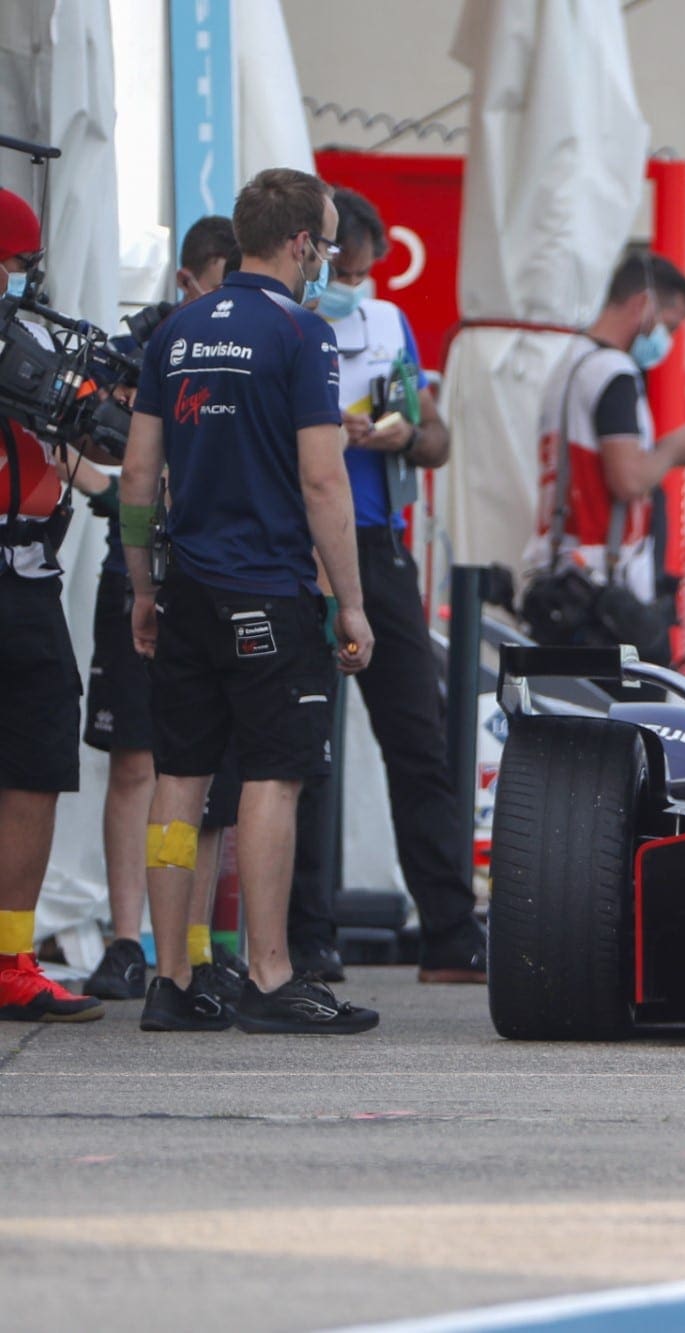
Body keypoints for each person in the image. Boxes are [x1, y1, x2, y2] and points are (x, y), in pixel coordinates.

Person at [122, 166, 379, 1034]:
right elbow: (321, 476)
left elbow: (136, 476)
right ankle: (271, 975)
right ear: (302, 243)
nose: (327, 263)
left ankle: (171, 977)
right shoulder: (303, 336)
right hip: (268, 589)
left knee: (179, 780)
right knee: (275, 775)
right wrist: (351, 602)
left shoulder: (176, 331)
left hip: (188, 589)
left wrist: (143, 587)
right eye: (328, 245)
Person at [282, 187, 486, 986]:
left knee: (417, 737)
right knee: (301, 745)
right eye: (345, 264)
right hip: (298, 546)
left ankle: (448, 930)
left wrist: (403, 429)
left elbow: (434, 435)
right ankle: (306, 932)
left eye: (363, 270)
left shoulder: (384, 323)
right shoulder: (285, 322)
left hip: (378, 542)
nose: (353, 282)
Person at [79, 216, 245, 1004]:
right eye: (220, 283)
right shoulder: (140, 348)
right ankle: (124, 939)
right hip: (143, 571)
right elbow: (97, 447)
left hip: (221, 575)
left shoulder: (269, 340)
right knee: (138, 761)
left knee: (211, 776)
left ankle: (196, 948)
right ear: (187, 281)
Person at [0, 187, 104, 1022]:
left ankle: (10, 957)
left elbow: (76, 444)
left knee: (34, 766)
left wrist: (128, 492)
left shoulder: (33, 344)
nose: (18, 281)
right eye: (13, 264)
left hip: (27, 579)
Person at [523, 248, 685, 663]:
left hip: (561, 580)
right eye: (669, 326)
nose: (668, 342)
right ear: (642, 305)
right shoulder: (614, 373)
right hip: (604, 598)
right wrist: (674, 449)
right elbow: (627, 479)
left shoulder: (569, 364)